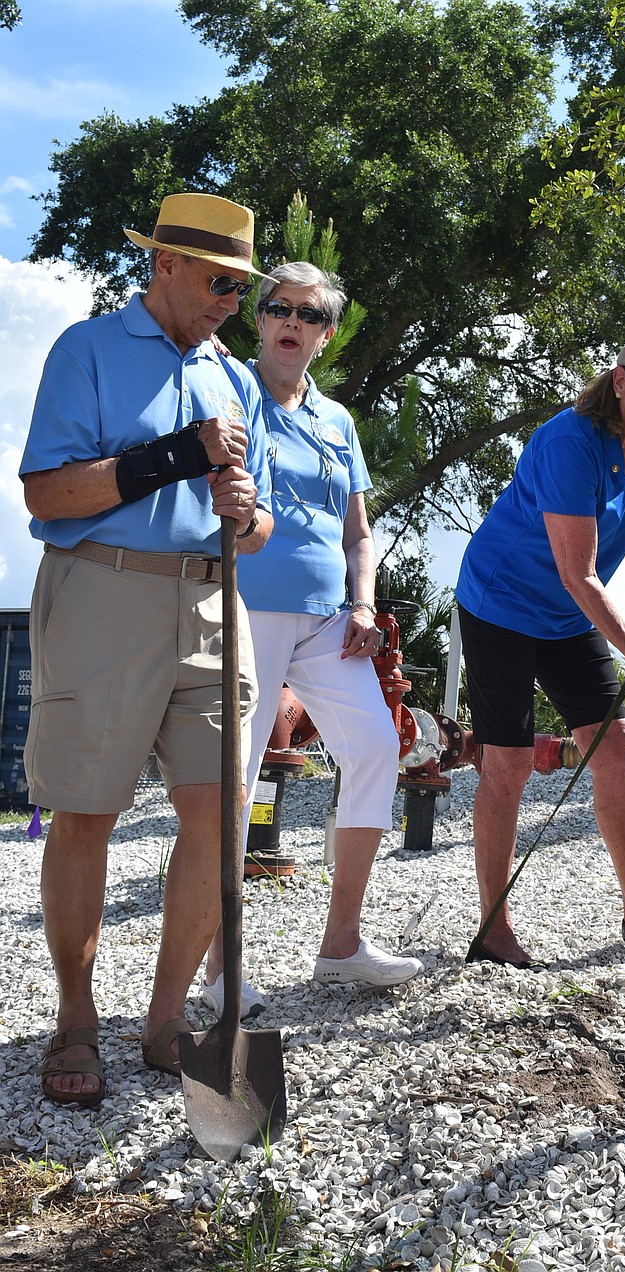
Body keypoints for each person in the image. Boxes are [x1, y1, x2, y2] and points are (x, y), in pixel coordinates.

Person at [20, 192, 274, 1106]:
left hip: (213, 605)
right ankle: (77, 1020)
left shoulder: (236, 377)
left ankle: (166, 1024)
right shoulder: (85, 350)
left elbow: (260, 526)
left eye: (241, 288)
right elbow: (46, 495)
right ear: (165, 263)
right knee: (86, 811)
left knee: (218, 817)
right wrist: (174, 458)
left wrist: (247, 518)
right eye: (220, 281)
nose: (230, 302)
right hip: (102, 595)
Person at [200, 261, 423, 1007]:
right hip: (247, 609)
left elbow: (359, 532)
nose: (293, 322)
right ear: (258, 320)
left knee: (376, 746)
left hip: (330, 619)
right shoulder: (231, 390)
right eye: (279, 309)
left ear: (328, 335)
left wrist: (363, 605)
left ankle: (342, 947)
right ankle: (218, 972)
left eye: (310, 314)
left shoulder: (338, 422)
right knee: (231, 782)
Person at [455, 330, 625, 967]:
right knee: (506, 764)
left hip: (567, 619)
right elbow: (580, 574)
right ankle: (493, 926)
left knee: (615, 743)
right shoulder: (570, 443)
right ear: (620, 380)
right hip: (502, 605)